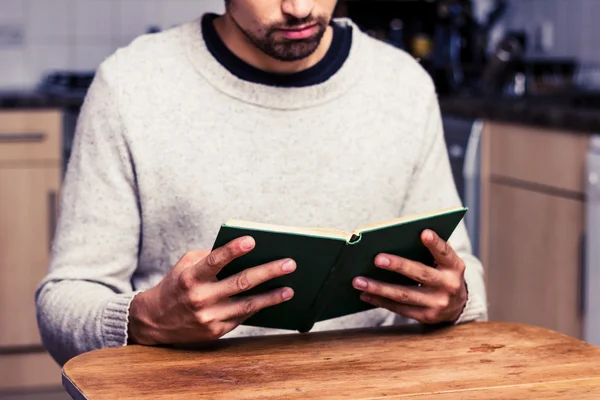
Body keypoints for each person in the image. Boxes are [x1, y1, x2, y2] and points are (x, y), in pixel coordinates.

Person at [35, 0, 488, 367]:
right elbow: (62, 305)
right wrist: (144, 320)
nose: (298, 8)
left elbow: (464, 277)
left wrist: (455, 300)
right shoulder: (131, 84)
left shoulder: (403, 83)